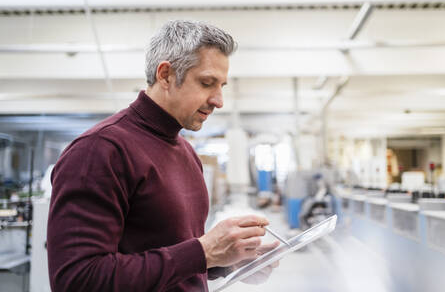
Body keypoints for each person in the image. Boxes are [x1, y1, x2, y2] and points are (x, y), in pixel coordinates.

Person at [47, 20, 277, 292]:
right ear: (166, 75)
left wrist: (228, 260)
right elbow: (78, 280)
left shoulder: (185, 152)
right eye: (206, 83)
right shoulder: (100, 151)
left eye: (222, 86)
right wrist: (203, 253)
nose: (218, 100)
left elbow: (173, 253)